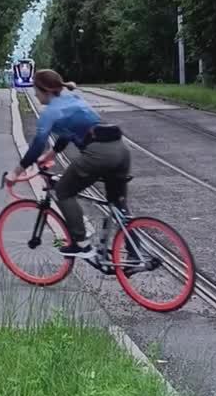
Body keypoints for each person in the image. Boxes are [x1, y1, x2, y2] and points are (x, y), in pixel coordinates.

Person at [9, 69, 131, 258]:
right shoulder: (73, 98)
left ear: (46, 90)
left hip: (98, 154)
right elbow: (70, 130)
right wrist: (52, 153)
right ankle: (135, 253)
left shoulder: (50, 112)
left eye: (36, 90)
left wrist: (15, 173)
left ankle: (81, 243)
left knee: (63, 190)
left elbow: (36, 147)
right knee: (118, 206)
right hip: (121, 150)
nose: (34, 94)